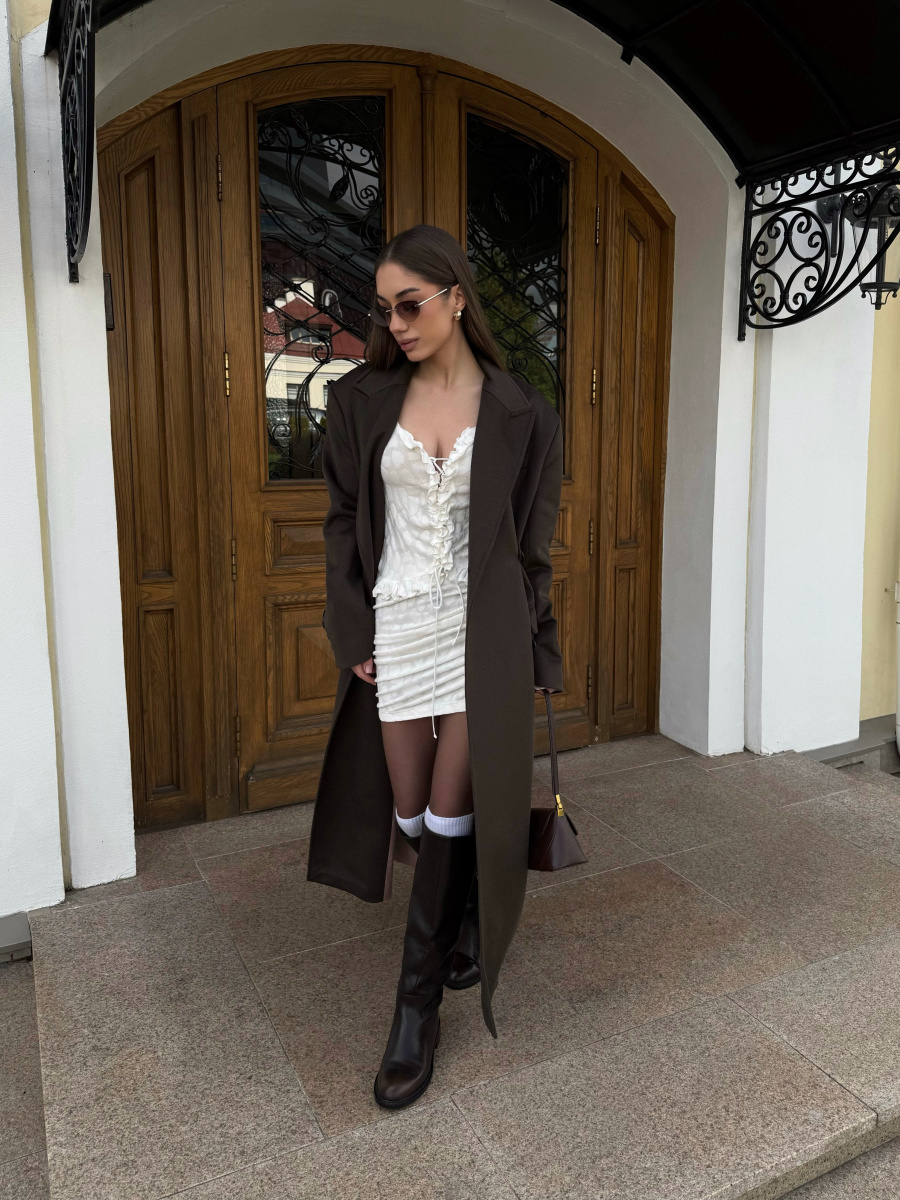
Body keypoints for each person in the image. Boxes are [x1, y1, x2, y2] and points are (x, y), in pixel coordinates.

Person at [308, 224, 564, 1110]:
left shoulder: (524, 412)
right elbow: (342, 520)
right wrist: (353, 630)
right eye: (386, 309)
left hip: (483, 637)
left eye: (410, 305)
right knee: (413, 812)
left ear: (457, 296)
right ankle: (464, 909)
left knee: (452, 808)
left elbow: (532, 549)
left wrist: (542, 649)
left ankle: (415, 1011)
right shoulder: (361, 401)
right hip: (399, 627)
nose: (396, 323)